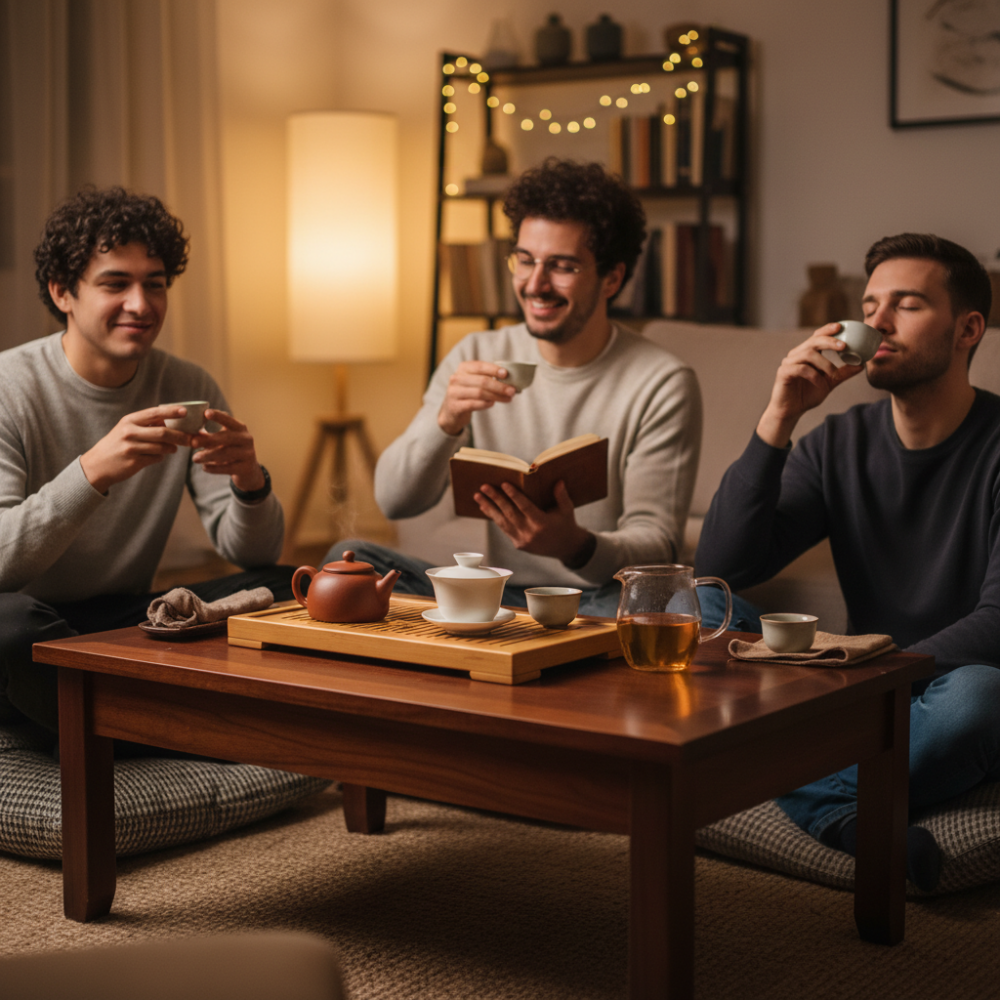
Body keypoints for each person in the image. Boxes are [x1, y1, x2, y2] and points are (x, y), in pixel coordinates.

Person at [695, 232, 1000, 891]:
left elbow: (998, 622)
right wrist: (780, 416)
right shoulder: (838, 442)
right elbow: (722, 565)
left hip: (935, 686)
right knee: (688, 606)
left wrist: (861, 673)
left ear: (967, 329)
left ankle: (794, 790)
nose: (877, 323)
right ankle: (830, 792)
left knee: (983, 695)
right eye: (870, 306)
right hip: (858, 685)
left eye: (907, 304)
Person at [328, 158, 702, 615]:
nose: (535, 285)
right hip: (501, 593)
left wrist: (575, 545)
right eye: (524, 261)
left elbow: (657, 548)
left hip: (602, 598)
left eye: (561, 266)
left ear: (612, 278)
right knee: (349, 560)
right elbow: (394, 500)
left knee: (700, 607)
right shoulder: (476, 354)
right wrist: (445, 421)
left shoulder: (661, 382)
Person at [0, 186, 291, 740]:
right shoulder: (9, 388)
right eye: (115, 284)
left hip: (131, 621)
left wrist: (250, 482)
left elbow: (253, 553)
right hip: (32, 619)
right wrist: (91, 473)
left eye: (154, 285)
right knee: (8, 628)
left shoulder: (186, 385)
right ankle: (167, 729)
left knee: (283, 589)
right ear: (63, 292)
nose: (141, 304)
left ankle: (114, 721)